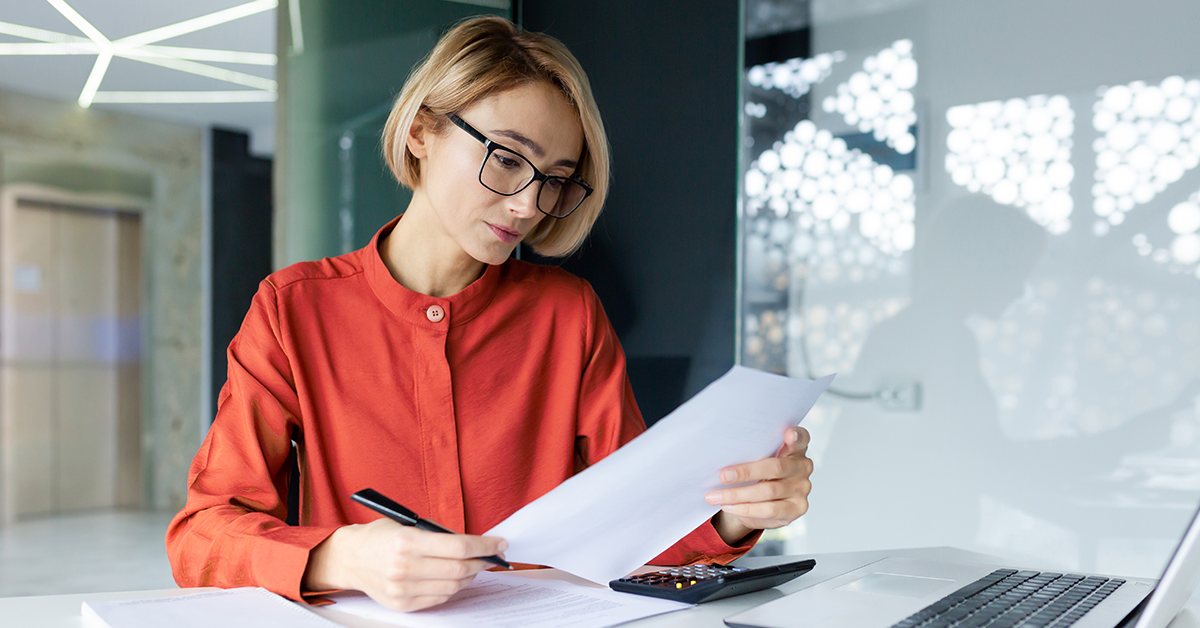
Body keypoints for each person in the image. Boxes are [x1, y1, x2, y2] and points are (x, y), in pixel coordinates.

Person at [166, 16, 814, 613]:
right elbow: (201, 537)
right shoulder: (294, 311)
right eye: (507, 157)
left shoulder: (569, 316)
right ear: (421, 131)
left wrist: (736, 511)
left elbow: (635, 530)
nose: (530, 205)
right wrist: (345, 556)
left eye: (557, 177)